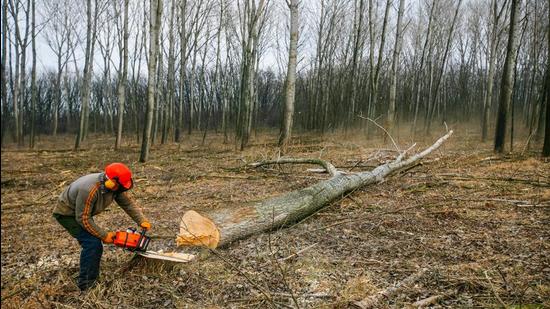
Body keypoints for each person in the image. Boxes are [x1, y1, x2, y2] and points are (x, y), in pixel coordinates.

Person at [52, 162, 151, 291]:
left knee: (93, 240)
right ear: (111, 182)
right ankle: (87, 285)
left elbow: (127, 203)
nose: (121, 189)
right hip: (67, 214)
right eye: (120, 186)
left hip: (82, 213)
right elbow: (82, 218)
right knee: (92, 243)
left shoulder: (116, 186)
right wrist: (104, 235)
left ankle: (89, 278)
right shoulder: (89, 189)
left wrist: (141, 220)